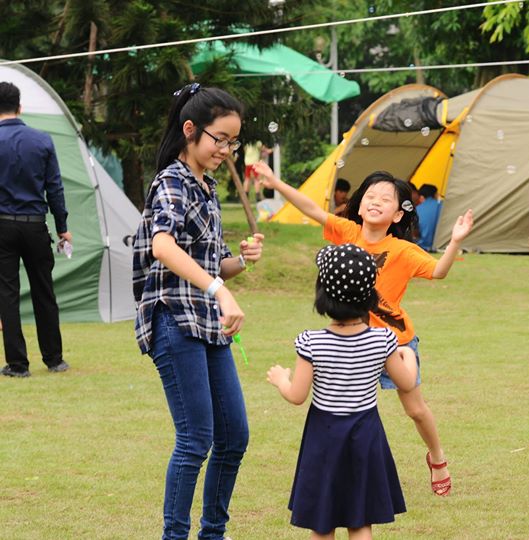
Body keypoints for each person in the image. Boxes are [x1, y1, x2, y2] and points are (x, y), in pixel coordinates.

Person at [257, 161, 474, 497]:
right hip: (351, 336)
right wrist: (275, 182)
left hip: (395, 341)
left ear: (398, 215)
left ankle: (438, 458)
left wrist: (455, 242)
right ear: (358, 205)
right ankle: (347, 471)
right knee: (345, 407)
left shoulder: (403, 250)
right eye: (370, 195)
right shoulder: (347, 233)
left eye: (385, 199)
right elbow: (311, 208)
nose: (375, 201)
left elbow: (439, 271)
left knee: (415, 409)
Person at [132, 82, 264, 540]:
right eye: (220, 139)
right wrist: (220, 289)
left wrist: (241, 261)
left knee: (235, 437)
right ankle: (175, 535)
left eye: (233, 141)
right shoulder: (171, 181)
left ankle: (213, 532)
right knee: (195, 440)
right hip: (173, 320)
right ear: (191, 130)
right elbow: (162, 245)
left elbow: (213, 264)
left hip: (207, 323)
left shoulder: (205, 188)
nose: (227, 150)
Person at [267, 243, 418, 539]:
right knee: (360, 521)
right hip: (366, 432)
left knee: (322, 523)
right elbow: (406, 383)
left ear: (323, 293)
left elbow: (297, 395)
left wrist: (280, 379)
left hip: (323, 435)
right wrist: (409, 357)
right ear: (370, 295)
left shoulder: (310, 342)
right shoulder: (383, 339)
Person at [0, 81, 71, 378]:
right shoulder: (42, 140)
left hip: (2, 226)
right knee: (44, 291)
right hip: (35, 225)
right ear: (20, 107)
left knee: (7, 294)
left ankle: (17, 364)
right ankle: (54, 359)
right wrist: (63, 226)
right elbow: (54, 188)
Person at [415, 183, 441, 252]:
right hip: (442, 245)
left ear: (421, 197)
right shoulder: (442, 205)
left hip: (423, 246)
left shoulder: (417, 209)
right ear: (435, 194)